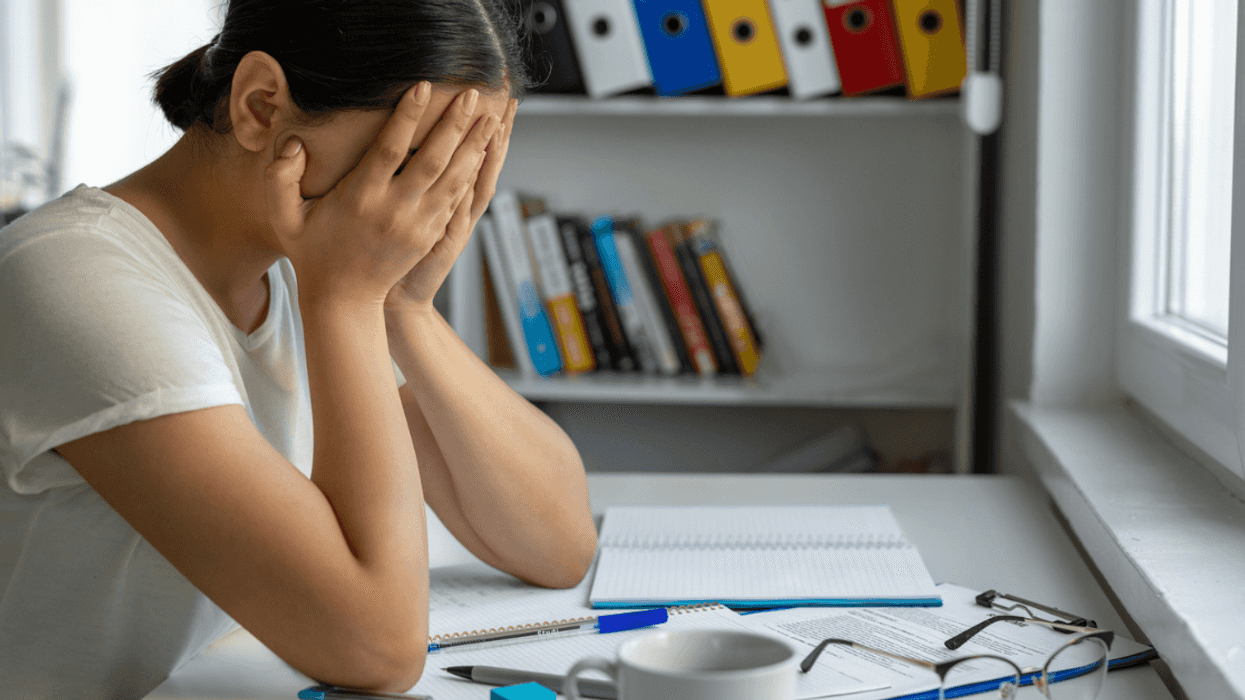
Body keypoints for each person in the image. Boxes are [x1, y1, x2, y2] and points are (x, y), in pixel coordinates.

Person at [0, 1, 599, 698]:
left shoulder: (308, 258)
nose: (423, 205)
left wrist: (405, 308)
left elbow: (557, 545)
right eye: (409, 160)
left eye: (458, 167)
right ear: (260, 106)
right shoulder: (72, 277)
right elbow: (376, 649)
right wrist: (346, 301)